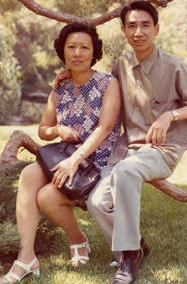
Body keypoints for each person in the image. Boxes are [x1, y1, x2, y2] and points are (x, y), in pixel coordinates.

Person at [52, 1, 187, 284]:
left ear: (156, 29)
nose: (138, 31)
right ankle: (135, 244)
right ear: (124, 30)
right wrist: (71, 74)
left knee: (125, 172)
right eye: (132, 26)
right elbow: (99, 83)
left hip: (162, 150)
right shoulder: (121, 64)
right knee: (97, 201)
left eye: (145, 25)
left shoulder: (174, 65)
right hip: (127, 150)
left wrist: (170, 116)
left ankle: (126, 260)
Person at [0, 22, 121, 283]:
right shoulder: (60, 87)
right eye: (71, 47)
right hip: (62, 159)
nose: (77, 53)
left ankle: (77, 239)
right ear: (63, 51)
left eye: (84, 47)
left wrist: (75, 160)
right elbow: (43, 130)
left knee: (46, 196)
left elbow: (106, 127)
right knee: (29, 176)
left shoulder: (108, 84)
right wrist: (59, 130)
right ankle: (26, 257)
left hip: (94, 163)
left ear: (94, 52)